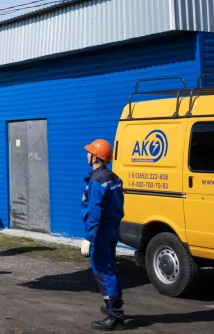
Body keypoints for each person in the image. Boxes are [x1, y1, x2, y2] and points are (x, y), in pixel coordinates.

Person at [80, 138, 125, 331]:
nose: (87, 154)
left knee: (103, 271)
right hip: (112, 229)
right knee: (109, 269)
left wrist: (89, 238)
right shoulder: (112, 177)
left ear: (95, 157)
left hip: (101, 232)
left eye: (89, 152)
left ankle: (115, 316)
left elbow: (95, 212)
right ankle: (112, 307)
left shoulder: (98, 181)